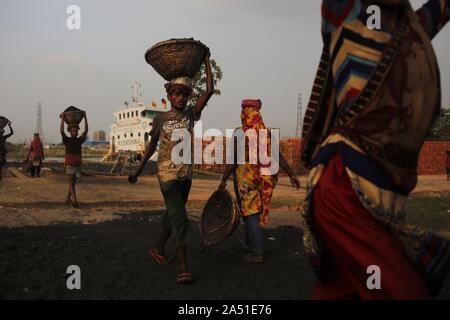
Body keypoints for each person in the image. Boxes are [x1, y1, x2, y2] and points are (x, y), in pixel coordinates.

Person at [300, 0, 450, 299]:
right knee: (402, 289)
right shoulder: (347, 10)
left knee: (345, 289)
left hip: (375, 187)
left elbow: (436, 12)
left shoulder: (407, 27)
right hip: (346, 189)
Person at [129, 51, 214, 284]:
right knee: (181, 218)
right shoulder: (160, 119)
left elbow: (208, 91)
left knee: (172, 214)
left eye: (184, 95)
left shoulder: (191, 115)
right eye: (176, 94)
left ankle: (158, 247)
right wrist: (137, 171)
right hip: (166, 174)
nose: (180, 99)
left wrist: (205, 61)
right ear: (169, 96)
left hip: (186, 174)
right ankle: (184, 267)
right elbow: (151, 147)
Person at [219, 99, 300, 263]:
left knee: (250, 214)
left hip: (245, 181)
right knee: (250, 211)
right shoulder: (266, 134)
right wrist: (291, 174)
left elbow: (233, 160)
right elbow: (278, 156)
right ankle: (250, 243)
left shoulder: (239, 133)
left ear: (244, 114)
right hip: (263, 179)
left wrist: (223, 179)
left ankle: (257, 252)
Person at [60, 113, 88, 208]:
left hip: (77, 166)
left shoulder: (80, 140)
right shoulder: (66, 140)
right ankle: (75, 201)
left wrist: (85, 117)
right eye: (72, 131)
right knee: (71, 182)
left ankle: (68, 198)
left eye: (76, 131)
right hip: (69, 165)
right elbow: (61, 131)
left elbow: (86, 130)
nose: (74, 132)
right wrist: (62, 119)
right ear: (70, 131)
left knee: (72, 184)